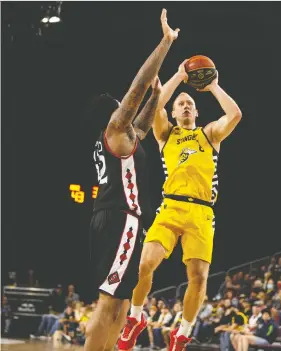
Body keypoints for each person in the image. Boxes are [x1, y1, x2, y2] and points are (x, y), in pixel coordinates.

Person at [119, 60, 242, 351]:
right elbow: (155, 107)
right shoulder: (166, 134)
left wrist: (212, 87)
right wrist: (179, 76)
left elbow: (235, 114)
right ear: (173, 113)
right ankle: (135, 318)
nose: (186, 106)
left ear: (196, 112)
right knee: (143, 265)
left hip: (201, 213)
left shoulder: (209, 134)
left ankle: (182, 333)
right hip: (171, 208)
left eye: (189, 104)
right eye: (181, 104)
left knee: (198, 278)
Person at [84, 9, 180, 351]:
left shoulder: (125, 137)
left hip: (117, 219)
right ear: (111, 114)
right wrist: (165, 44)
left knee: (122, 305)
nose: (122, 106)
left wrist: (162, 91)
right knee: (110, 302)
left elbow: (144, 114)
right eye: (118, 105)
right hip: (119, 217)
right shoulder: (113, 131)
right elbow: (137, 88)